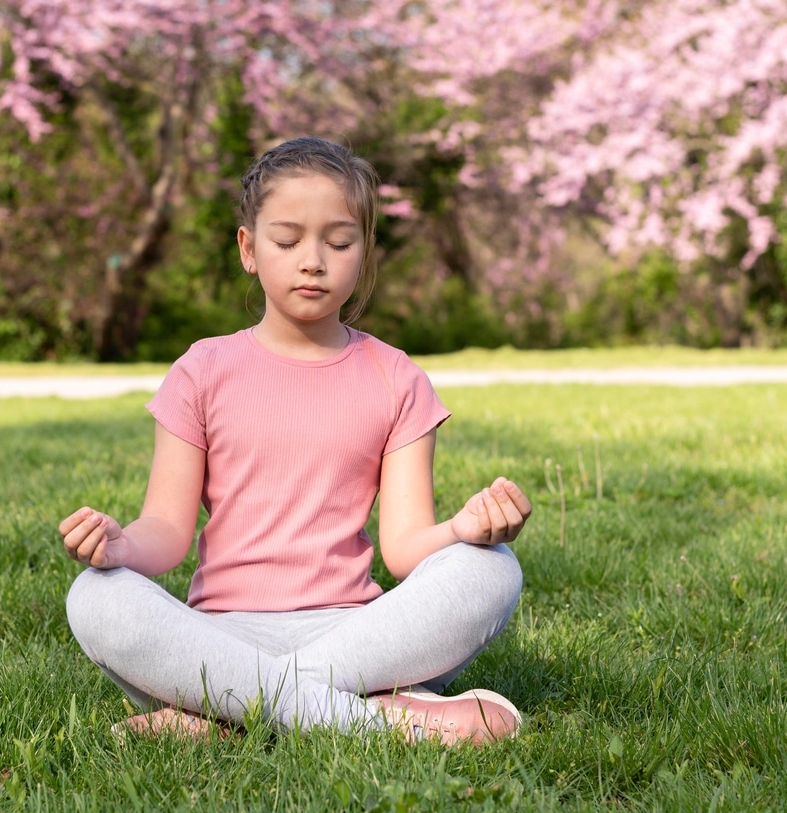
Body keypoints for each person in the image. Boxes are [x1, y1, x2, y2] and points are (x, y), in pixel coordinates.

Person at [59, 137, 533, 746]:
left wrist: (464, 532)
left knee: (491, 571)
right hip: (221, 637)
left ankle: (225, 715)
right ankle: (373, 722)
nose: (313, 261)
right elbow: (167, 532)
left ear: (362, 252)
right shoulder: (201, 372)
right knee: (97, 598)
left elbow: (408, 550)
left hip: (356, 641)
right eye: (287, 242)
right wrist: (121, 545)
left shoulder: (396, 378)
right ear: (248, 249)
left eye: (338, 243)